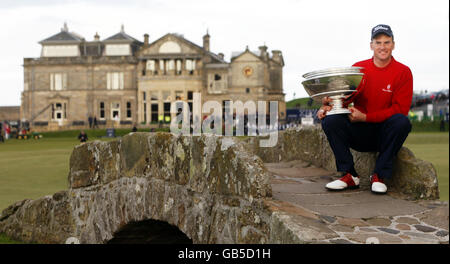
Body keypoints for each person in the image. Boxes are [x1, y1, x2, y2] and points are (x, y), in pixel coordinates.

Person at [318, 24, 413, 194]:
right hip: (359, 132)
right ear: (371, 45)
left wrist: (367, 117)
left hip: (384, 134)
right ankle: (349, 175)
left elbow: (400, 109)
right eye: (378, 42)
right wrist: (328, 107)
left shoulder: (403, 72)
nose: (382, 47)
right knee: (331, 120)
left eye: (386, 42)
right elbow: (346, 100)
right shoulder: (359, 69)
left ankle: (379, 176)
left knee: (402, 122)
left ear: (393, 44)